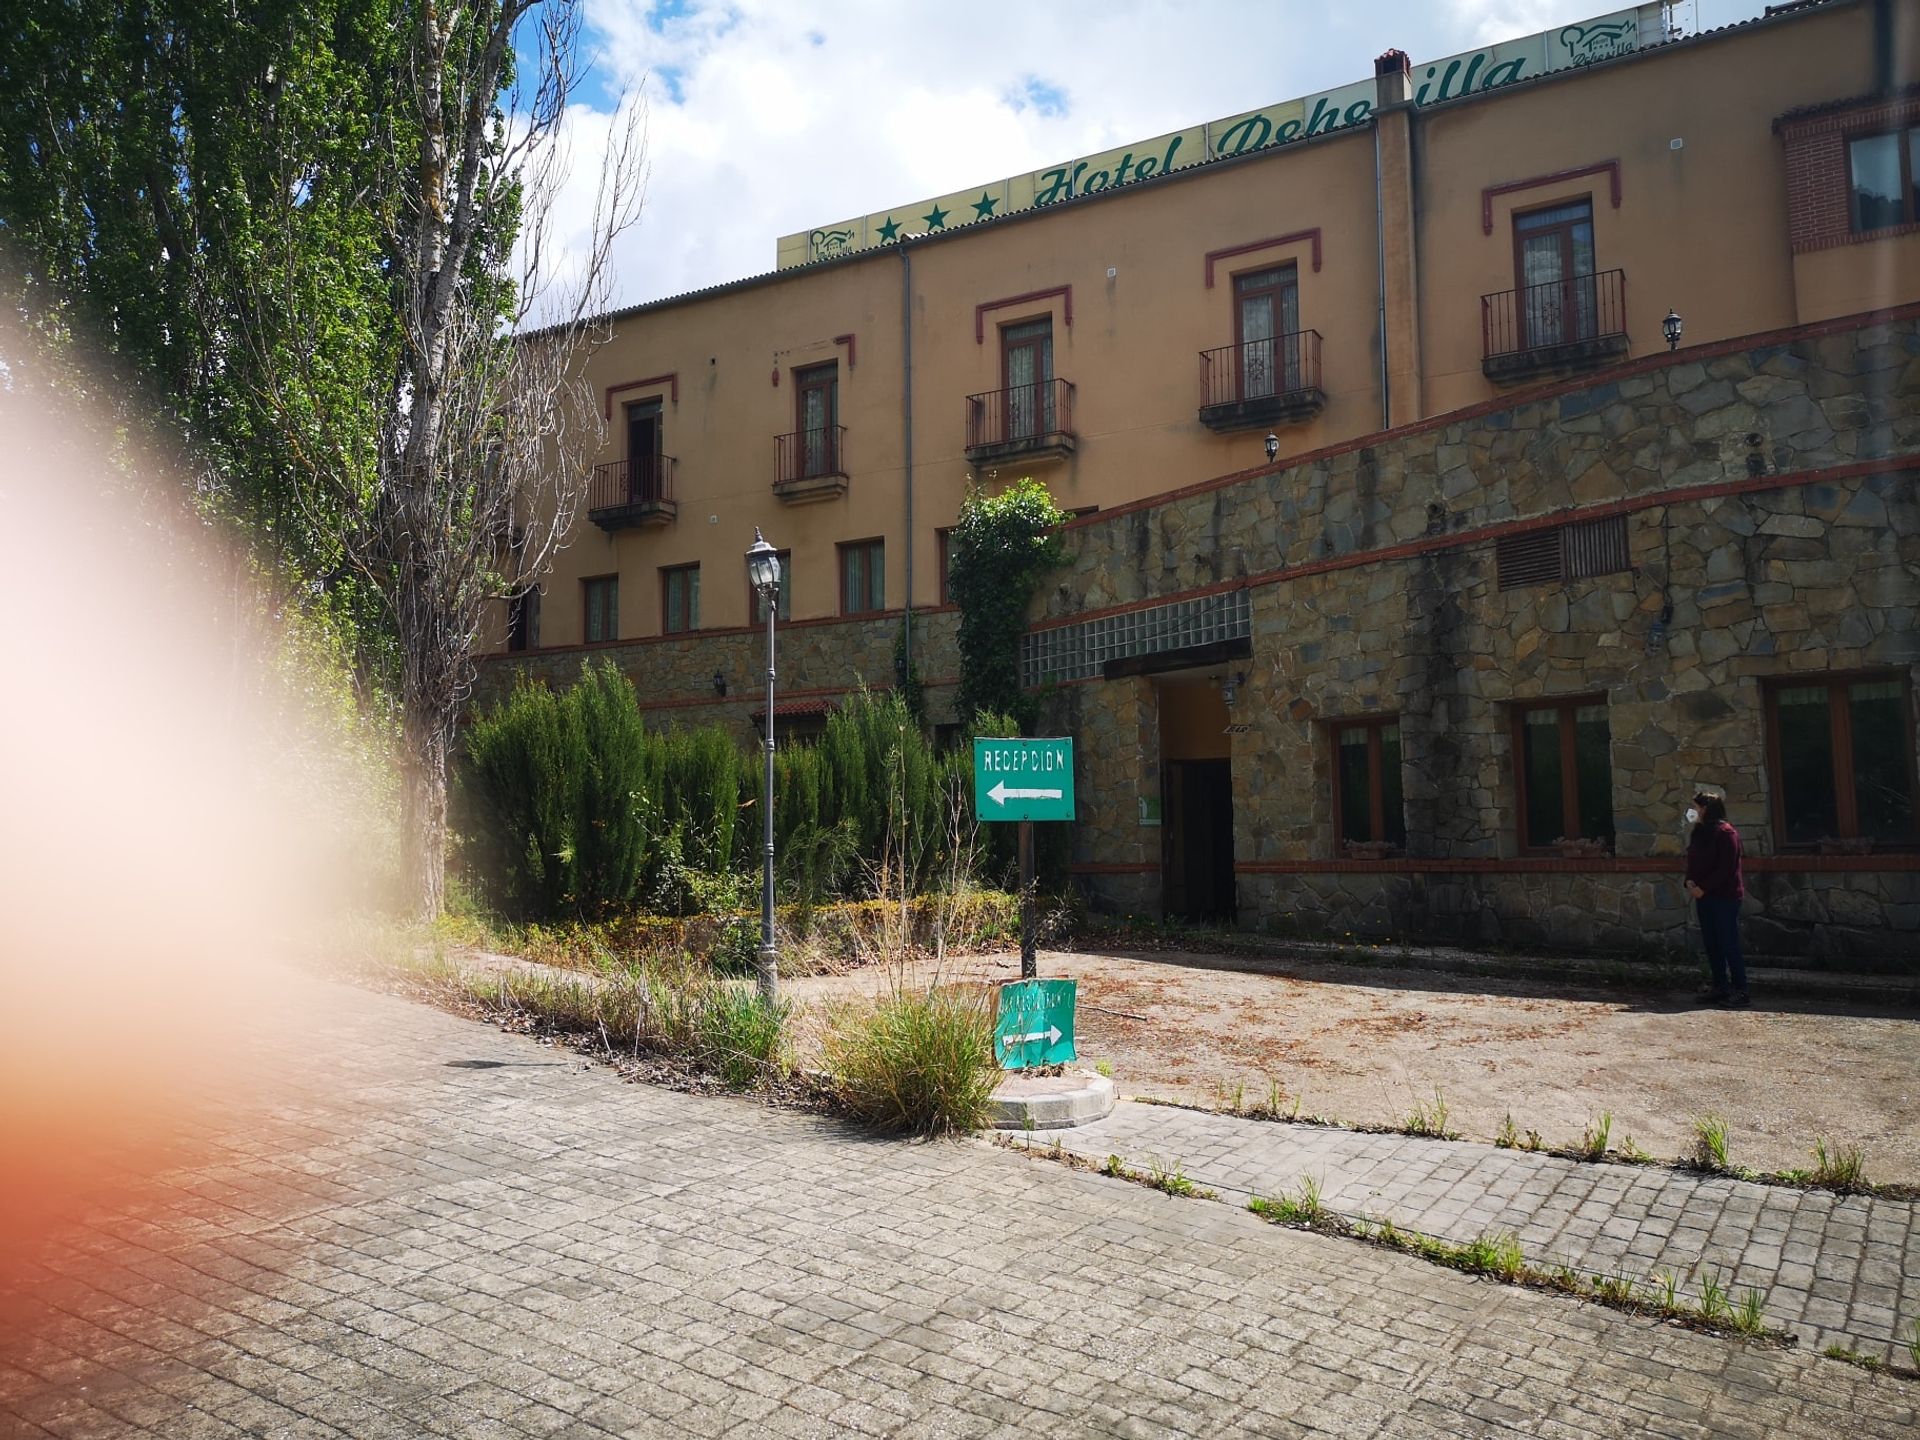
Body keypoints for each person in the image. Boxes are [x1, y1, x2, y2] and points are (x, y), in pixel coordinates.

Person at [1684, 789, 1748, 1007]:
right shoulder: (1700, 833)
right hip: (1704, 897)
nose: (1694, 812)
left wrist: (1705, 888)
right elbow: (1693, 860)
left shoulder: (1726, 833)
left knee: (1728, 943)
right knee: (1712, 943)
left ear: (1707, 809)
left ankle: (1741, 990)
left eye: (1697, 807)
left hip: (1725, 897)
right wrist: (1690, 881)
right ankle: (1720, 985)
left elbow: (1726, 868)